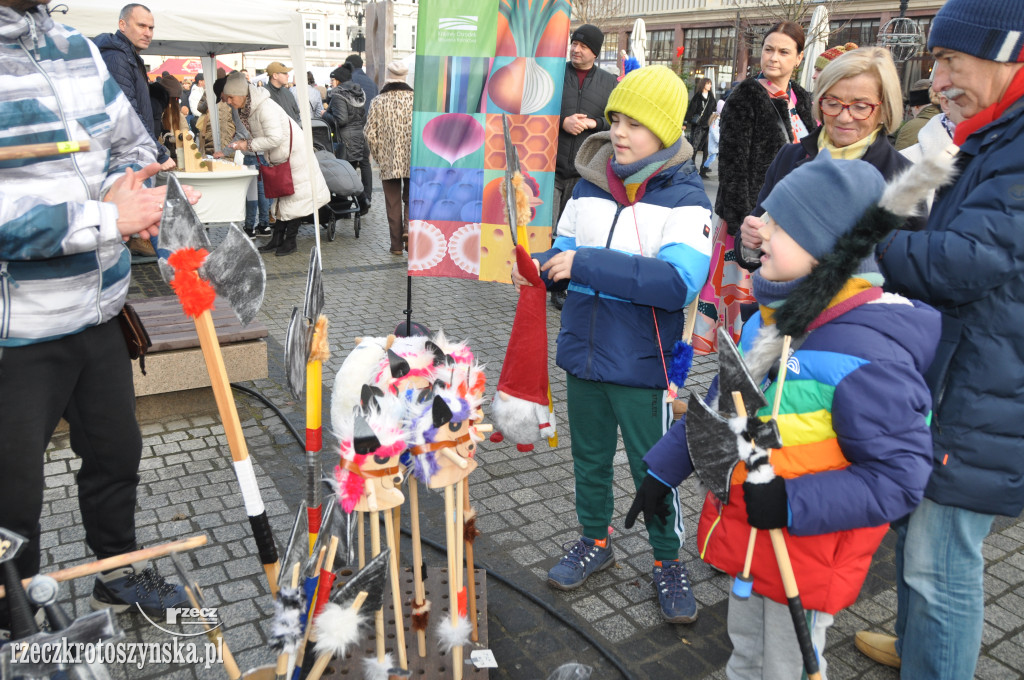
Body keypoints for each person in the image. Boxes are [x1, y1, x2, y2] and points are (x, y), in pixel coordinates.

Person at [635, 154, 938, 679]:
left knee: (785, 667)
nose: (761, 233)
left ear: (827, 247)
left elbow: (899, 478)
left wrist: (792, 503)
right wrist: (664, 469)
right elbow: (724, 409)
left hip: (804, 554)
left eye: (780, 225)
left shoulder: (868, 356)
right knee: (746, 655)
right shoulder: (764, 324)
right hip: (753, 541)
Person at [0, 0, 202, 628]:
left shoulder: (76, 47)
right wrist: (106, 218)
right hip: (16, 333)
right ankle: (14, 617)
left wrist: (135, 186)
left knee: (117, 456)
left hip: (101, 312)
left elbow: (129, 141)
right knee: (11, 497)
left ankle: (117, 574)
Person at [854, 1, 1024, 677]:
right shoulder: (995, 133)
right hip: (968, 372)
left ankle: (936, 659)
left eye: (952, 60)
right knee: (920, 532)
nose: (940, 79)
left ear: (1005, 52)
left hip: (987, 387)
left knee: (941, 562)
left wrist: (868, 245)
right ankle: (916, 644)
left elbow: (970, 259)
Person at [513, 66, 713, 624]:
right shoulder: (587, 186)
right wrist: (535, 264)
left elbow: (678, 283)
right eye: (616, 119)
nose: (619, 132)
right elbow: (565, 253)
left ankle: (667, 559)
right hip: (583, 352)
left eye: (635, 123)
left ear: (666, 130)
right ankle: (595, 540)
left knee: (656, 468)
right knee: (590, 458)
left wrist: (585, 264)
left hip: (644, 363)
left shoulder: (688, 199)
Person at [737, 47, 924, 269]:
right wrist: (750, 243)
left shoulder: (905, 179)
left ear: (885, 109)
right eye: (833, 103)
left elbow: (909, 270)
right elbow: (755, 244)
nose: (844, 117)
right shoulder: (790, 157)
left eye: (860, 106)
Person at [692, 21, 815, 355]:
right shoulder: (746, 95)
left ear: (799, 58)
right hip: (752, 219)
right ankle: (737, 371)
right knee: (744, 312)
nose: (773, 57)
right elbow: (732, 166)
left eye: (784, 51)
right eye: (769, 49)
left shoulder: (803, 99)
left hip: (796, 220)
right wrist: (744, 223)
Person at [222, 71, 330, 256]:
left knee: (295, 201)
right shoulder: (251, 107)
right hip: (284, 156)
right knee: (282, 198)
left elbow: (274, 138)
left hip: (295, 157)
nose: (229, 101)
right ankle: (277, 238)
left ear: (241, 94)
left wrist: (247, 145)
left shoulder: (264, 108)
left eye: (231, 97)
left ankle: (290, 241)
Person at [552, 23, 616, 309]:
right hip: (550, 167)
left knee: (572, 232)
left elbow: (615, 120)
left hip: (585, 171)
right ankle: (541, 279)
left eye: (583, 46)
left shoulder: (609, 83)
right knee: (546, 229)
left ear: (595, 52)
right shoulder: (554, 73)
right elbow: (534, 111)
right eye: (574, 44)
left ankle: (562, 286)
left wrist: (594, 123)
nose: (576, 49)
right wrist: (561, 122)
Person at [94, 4, 175, 172]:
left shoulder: (129, 57)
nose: (148, 33)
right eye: (141, 26)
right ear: (122, 25)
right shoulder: (116, 57)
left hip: (130, 155)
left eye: (151, 28)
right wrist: (159, 153)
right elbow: (127, 112)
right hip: (123, 159)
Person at [365, 61, 414, 255]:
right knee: (412, 197)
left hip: (388, 160)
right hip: (413, 158)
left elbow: (369, 133)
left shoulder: (378, 101)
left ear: (388, 77)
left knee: (392, 203)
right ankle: (408, 229)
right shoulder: (416, 100)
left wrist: (379, 156)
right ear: (405, 77)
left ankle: (396, 246)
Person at [324, 78, 371, 216]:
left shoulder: (338, 96)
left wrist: (325, 114)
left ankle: (354, 203)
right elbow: (362, 117)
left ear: (338, 80)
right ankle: (364, 199)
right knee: (356, 168)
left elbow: (341, 120)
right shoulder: (358, 94)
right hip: (359, 135)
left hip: (346, 138)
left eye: (333, 79)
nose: (331, 82)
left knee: (345, 172)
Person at [893, 79, 940, 150]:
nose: (912, 113)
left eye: (911, 110)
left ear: (916, 107)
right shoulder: (948, 121)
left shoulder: (912, 127)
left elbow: (900, 156)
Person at [196, 76, 235, 157]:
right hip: (212, 129)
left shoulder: (232, 93)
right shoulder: (209, 91)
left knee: (226, 155)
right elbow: (200, 108)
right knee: (212, 154)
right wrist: (208, 101)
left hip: (227, 130)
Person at [686, 77, 716, 178]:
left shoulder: (711, 97)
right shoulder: (697, 97)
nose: (710, 85)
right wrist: (685, 123)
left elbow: (714, 109)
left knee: (706, 149)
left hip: (708, 126)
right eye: (708, 83)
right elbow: (691, 110)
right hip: (698, 126)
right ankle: (691, 168)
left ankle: (703, 170)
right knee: (694, 147)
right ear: (703, 84)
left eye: (710, 84)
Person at [702, 100, 724, 176]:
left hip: (716, 143)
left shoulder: (718, 119)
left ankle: (705, 168)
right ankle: (704, 169)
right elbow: (714, 132)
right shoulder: (715, 120)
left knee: (714, 157)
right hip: (715, 143)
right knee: (712, 157)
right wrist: (719, 140)